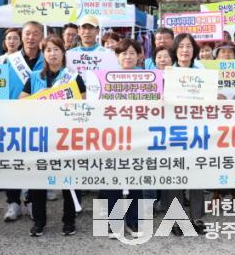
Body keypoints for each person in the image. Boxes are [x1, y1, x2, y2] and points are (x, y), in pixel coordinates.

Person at [19, 34, 85, 237]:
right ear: (43, 54)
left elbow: (84, 104)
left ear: (63, 53)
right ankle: (39, 221)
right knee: (38, 180)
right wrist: (42, 97)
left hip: (67, 136)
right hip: (41, 136)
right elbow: (21, 103)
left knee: (68, 180)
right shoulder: (34, 77)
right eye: (48, 50)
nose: (53, 54)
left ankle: (69, 220)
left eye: (56, 49)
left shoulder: (73, 77)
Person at [96, 39, 146, 239]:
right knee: (112, 180)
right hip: (113, 137)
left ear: (139, 56)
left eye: (132, 53)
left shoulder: (147, 78)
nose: (128, 57)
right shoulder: (106, 78)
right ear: (117, 56)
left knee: (135, 181)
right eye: (124, 53)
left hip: (138, 137)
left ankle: (134, 221)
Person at [160, 33, 206, 237]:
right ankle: (176, 219)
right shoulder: (167, 73)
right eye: (181, 46)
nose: (185, 50)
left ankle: (196, 217)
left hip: (197, 130)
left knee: (197, 175)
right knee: (174, 176)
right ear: (175, 50)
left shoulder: (202, 72)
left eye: (189, 46)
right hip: (173, 130)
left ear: (194, 50)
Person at [4, 21, 46, 221]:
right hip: (13, 116)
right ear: (22, 36)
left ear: (41, 37)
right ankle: (13, 202)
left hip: (39, 118)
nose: (31, 37)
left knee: (34, 161)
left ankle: (30, 200)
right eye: (27, 33)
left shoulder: (47, 59)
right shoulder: (10, 60)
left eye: (35, 34)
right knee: (13, 161)